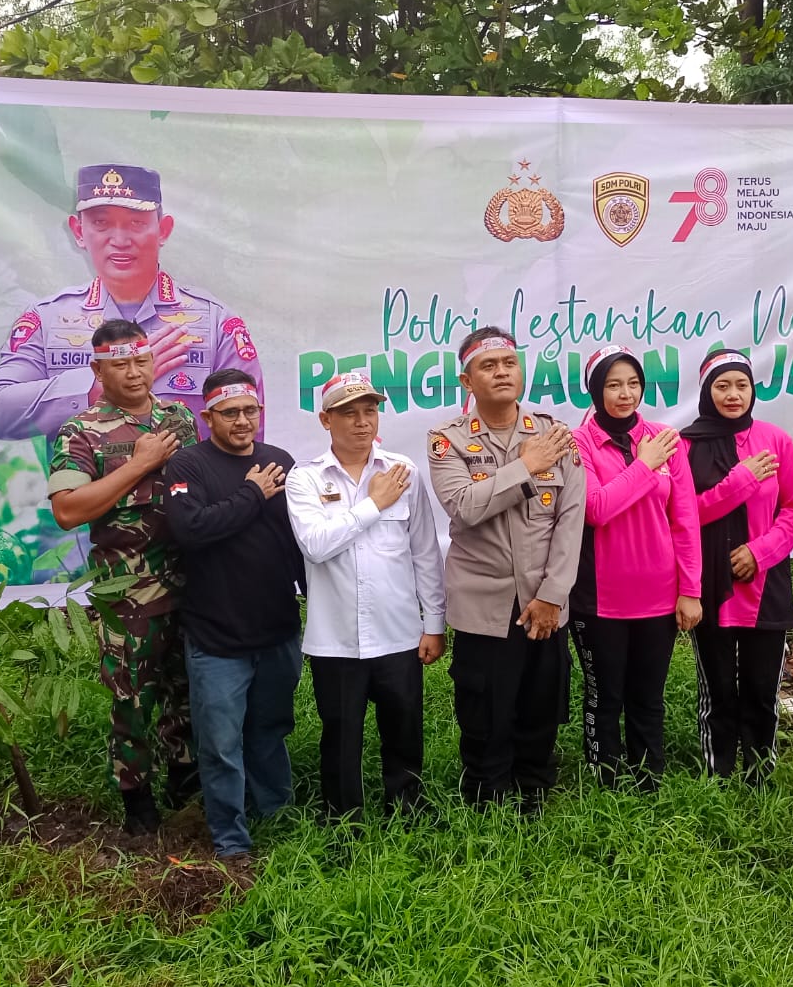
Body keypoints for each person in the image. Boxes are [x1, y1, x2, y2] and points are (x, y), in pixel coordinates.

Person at [47, 319, 201, 833]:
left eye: (141, 361)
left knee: (188, 690)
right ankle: (137, 801)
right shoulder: (81, 430)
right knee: (134, 698)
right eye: (120, 364)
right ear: (98, 369)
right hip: (127, 591)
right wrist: (138, 465)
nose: (134, 373)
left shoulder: (178, 416)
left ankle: (188, 783)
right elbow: (68, 511)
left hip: (191, 582)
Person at [0, 163, 263, 441]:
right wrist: (95, 386)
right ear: (79, 231)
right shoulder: (48, 320)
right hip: (85, 484)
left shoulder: (214, 322)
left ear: (163, 230)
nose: (119, 240)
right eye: (101, 223)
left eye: (136, 223)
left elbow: (248, 439)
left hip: (187, 484)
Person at [426, 327, 586, 811]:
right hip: (484, 603)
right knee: (484, 706)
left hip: (544, 600)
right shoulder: (447, 441)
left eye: (509, 364)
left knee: (542, 701)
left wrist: (554, 594)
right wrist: (525, 467)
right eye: (488, 366)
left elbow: (571, 517)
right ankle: (486, 798)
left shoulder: (553, 434)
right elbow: (463, 507)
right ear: (467, 380)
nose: (502, 373)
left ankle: (534, 791)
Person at [286, 371, 447, 820]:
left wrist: (434, 622)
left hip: (398, 632)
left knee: (404, 729)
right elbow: (315, 545)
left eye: (370, 411)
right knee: (340, 733)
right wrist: (373, 504)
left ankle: (409, 812)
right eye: (349, 413)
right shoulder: (305, 479)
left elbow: (425, 553)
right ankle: (343, 822)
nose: (362, 422)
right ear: (325, 420)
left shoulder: (403, 472)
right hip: (334, 639)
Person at [163, 368, 305, 863]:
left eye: (250, 411)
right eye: (230, 413)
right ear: (208, 418)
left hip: (277, 628)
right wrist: (251, 494)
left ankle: (278, 814)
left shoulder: (280, 462)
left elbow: (298, 541)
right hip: (215, 635)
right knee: (221, 742)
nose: (243, 421)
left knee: (271, 728)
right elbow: (192, 529)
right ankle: (230, 839)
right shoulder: (189, 466)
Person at [567, 345, 700, 791]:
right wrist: (645, 465)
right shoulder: (578, 442)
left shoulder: (666, 438)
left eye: (633, 383)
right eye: (613, 385)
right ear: (594, 390)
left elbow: (685, 519)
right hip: (599, 598)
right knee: (605, 698)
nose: (625, 394)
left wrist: (691, 589)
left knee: (648, 697)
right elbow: (597, 509)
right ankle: (605, 780)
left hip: (659, 595)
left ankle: (649, 781)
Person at [681, 348, 793, 784]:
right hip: (711, 586)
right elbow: (683, 515)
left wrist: (761, 552)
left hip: (764, 585)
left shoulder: (775, 440)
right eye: (722, 385)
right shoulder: (686, 445)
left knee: (761, 689)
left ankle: (759, 774)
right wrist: (740, 481)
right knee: (717, 689)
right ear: (706, 390)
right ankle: (718, 773)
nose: (733, 395)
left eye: (742, 385)